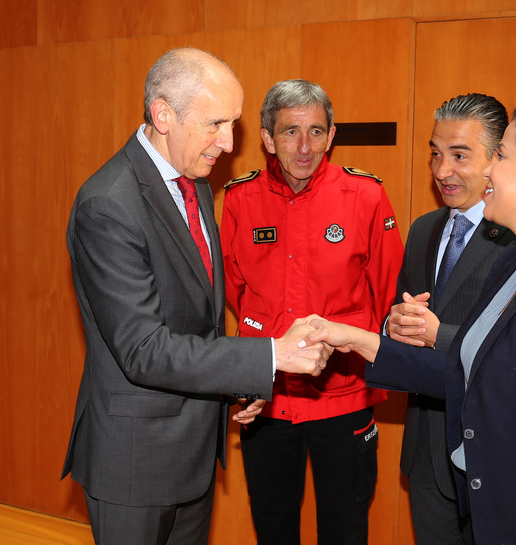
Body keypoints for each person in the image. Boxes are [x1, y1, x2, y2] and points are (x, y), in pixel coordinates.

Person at [303, 98, 516, 545]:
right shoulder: (515, 267)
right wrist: (357, 339)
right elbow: (470, 373)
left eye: (501, 156)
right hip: (493, 507)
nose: (488, 172)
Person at [61, 48, 330, 545]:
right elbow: (144, 350)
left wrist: (235, 386)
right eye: (215, 124)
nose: (229, 143)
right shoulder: (108, 204)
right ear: (163, 115)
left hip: (194, 453)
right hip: (135, 464)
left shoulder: (194, 184)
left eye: (234, 123)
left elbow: (195, 323)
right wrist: (271, 355)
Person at [221, 79, 404, 544]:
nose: (305, 147)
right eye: (290, 132)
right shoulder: (240, 199)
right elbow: (233, 290)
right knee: (273, 525)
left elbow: (389, 293)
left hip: (343, 398)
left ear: (332, 134)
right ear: (267, 137)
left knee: (345, 529)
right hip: (268, 399)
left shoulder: (365, 196)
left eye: (316, 132)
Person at [384, 93, 515, 545]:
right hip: (425, 449)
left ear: (497, 159)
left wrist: (441, 335)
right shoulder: (423, 229)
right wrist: (393, 324)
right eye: (436, 154)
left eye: (460, 155)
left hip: (490, 451)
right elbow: (402, 316)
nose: (442, 171)